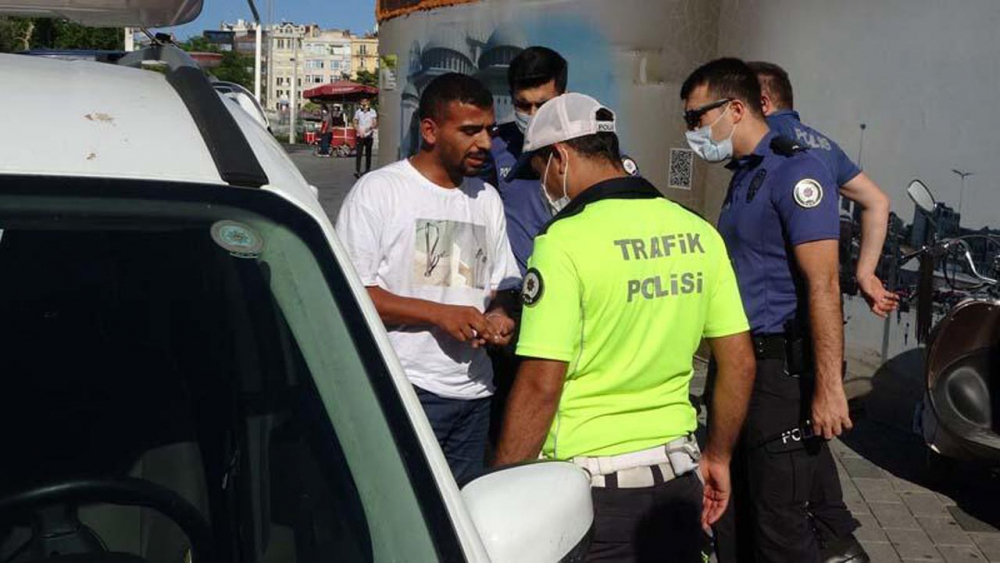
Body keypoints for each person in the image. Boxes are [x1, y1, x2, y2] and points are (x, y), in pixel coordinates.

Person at [493, 92, 757, 562]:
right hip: (678, 485)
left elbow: (539, 385)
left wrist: (502, 490)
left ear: (560, 157)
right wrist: (717, 456)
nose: (544, 187)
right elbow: (737, 361)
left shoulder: (563, 243)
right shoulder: (697, 232)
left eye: (540, 172)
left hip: (593, 498)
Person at [680, 58, 868, 563]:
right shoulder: (744, 176)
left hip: (777, 375)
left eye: (697, 118)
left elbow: (823, 284)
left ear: (734, 109)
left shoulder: (797, 170)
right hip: (737, 367)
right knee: (734, 515)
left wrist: (829, 387)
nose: (693, 131)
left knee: (780, 527)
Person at [336, 73, 520, 484]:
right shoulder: (379, 192)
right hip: (405, 390)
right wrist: (439, 315)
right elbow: (350, 296)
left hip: (475, 394)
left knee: (461, 518)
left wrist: (501, 315)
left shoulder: (485, 199)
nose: (486, 144)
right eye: (470, 131)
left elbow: (501, 283)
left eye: (489, 130)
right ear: (430, 130)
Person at [749, 61, 898, 318]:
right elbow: (878, 201)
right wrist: (865, 273)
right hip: (815, 312)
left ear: (763, 103)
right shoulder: (826, 147)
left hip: (765, 310)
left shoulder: (762, 138)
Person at [353, 97, 377, 178]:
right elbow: (355, 122)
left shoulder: (372, 111)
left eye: (365, 101)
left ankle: (367, 169)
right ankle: (358, 170)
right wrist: (358, 130)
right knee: (359, 153)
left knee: (368, 153)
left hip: (369, 135)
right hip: (360, 135)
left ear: (368, 102)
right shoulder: (358, 112)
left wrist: (368, 129)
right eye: (362, 102)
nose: (363, 103)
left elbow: (374, 123)